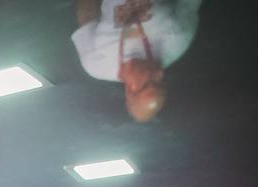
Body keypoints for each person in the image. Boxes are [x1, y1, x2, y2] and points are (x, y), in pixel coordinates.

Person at [72, 0, 204, 122]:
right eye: (162, 82)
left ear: (130, 91)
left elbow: (87, 12)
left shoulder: (96, 65)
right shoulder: (178, 40)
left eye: (150, 83)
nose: (160, 74)